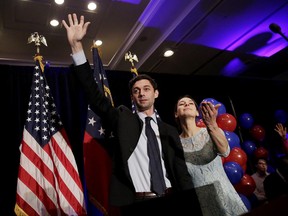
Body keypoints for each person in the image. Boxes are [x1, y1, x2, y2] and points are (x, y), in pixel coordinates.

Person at [62, 14, 201, 215]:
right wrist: (76, 47)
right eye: (136, 90)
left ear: (156, 93)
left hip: (173, 201)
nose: (141, 93)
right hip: (136, 205)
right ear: (132, 97)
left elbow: (181, 173)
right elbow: (93, 93)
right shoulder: (122, 119)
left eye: (146, 89)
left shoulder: (169, 130)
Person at [174, 95, 248, 216]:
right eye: (182, 104)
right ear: (176, 114)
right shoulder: (175, 144)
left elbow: (225, 151)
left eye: (191, 103)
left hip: (225, 195)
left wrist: (211, 125)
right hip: (201, 203)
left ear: (197, 112)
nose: (186, 104)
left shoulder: (210, 130)